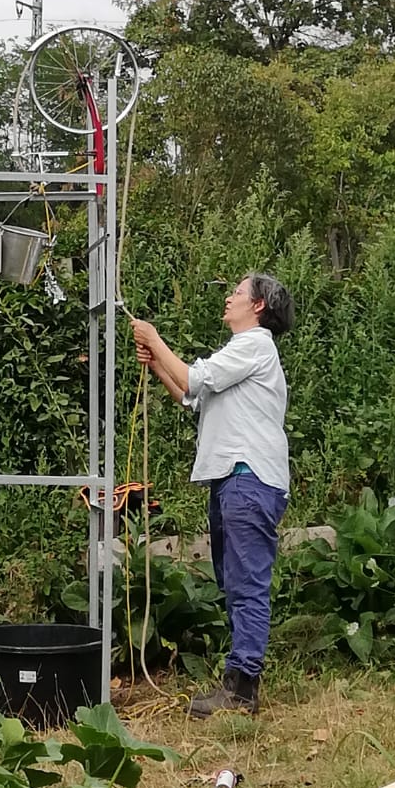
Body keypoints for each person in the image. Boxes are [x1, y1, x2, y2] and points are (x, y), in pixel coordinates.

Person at [131, 273, 294, 718]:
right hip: (234, 478)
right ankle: (239, 682)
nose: (229, 297)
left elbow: (194, 376)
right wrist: (157, 364)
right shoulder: (243, 352)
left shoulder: (255, 344)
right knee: (234, 581)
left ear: (258, 306)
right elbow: (190, 393)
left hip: (248, 477)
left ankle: (242, 688)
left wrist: (156, 338)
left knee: (246, 585)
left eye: (238, 292)